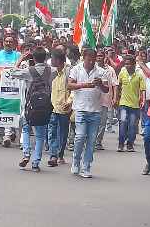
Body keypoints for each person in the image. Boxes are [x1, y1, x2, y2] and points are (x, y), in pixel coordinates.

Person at [67, 47, 109, 178]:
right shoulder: (76, 69)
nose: (91, 62)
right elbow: (69, 85)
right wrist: (84, 85)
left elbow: (106, 89)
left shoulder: (101, 72)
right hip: (80, 109)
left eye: (93, 60)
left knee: (91, 141)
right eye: (88, 59)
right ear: (83, 58)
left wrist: (100, 84)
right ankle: (76, 160)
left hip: (96, 110)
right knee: (79, 137)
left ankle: (86, 166)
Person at [9, 47, 53, 171]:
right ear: (46, 58)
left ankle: (26, 153)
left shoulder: (28, 71)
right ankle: (36, 162)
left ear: (33, 58)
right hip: (45, 106)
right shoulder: (52, 71)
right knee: (40, 135)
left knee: (26, 130)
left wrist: (21, 59)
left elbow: (12, 72)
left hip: (30, 106)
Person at [0, 34, 21, 147]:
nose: (8, 43)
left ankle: (9, 134)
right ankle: (1, 133)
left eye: (10, 41)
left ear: (14, 44)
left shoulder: (17, 55)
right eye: (6, 41)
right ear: (3, 43)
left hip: (13, 87)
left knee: (11, 110)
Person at [114, 55, 145, 152]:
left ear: (134, 65)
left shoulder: (139, 74)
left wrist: (142, 100)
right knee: (122, 123)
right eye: (126, 64)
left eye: (129, 64)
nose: (127, 66)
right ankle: (121, 144)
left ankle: (130, 144)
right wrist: (115, 98)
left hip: (135, 106)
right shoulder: (122, 73)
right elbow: (117, 86)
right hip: (123, 104)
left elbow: (142, 89)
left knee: (132, 126)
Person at [48, 48, 72, 167]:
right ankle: (53, 155)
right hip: (53, 107)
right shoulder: (52, 73)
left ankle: (60, 154)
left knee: (62, 132)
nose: (51, 60)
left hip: (64, 108)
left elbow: (74, 90)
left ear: (58, 60)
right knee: (52, 131)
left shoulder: (69, 72)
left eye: (52, 58)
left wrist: (69, 101)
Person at [94, 53, 118, 150]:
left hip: (105, 99)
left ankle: (98, 142)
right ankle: (91, 140)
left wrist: (115, 98)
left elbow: (114, 84)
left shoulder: (110, 70)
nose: (99, 58)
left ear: (104, 58)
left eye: (101, 56)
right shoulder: (93, 68)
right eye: (98, 56)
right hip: (93, 99)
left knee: (102, 123)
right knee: (93, 122)